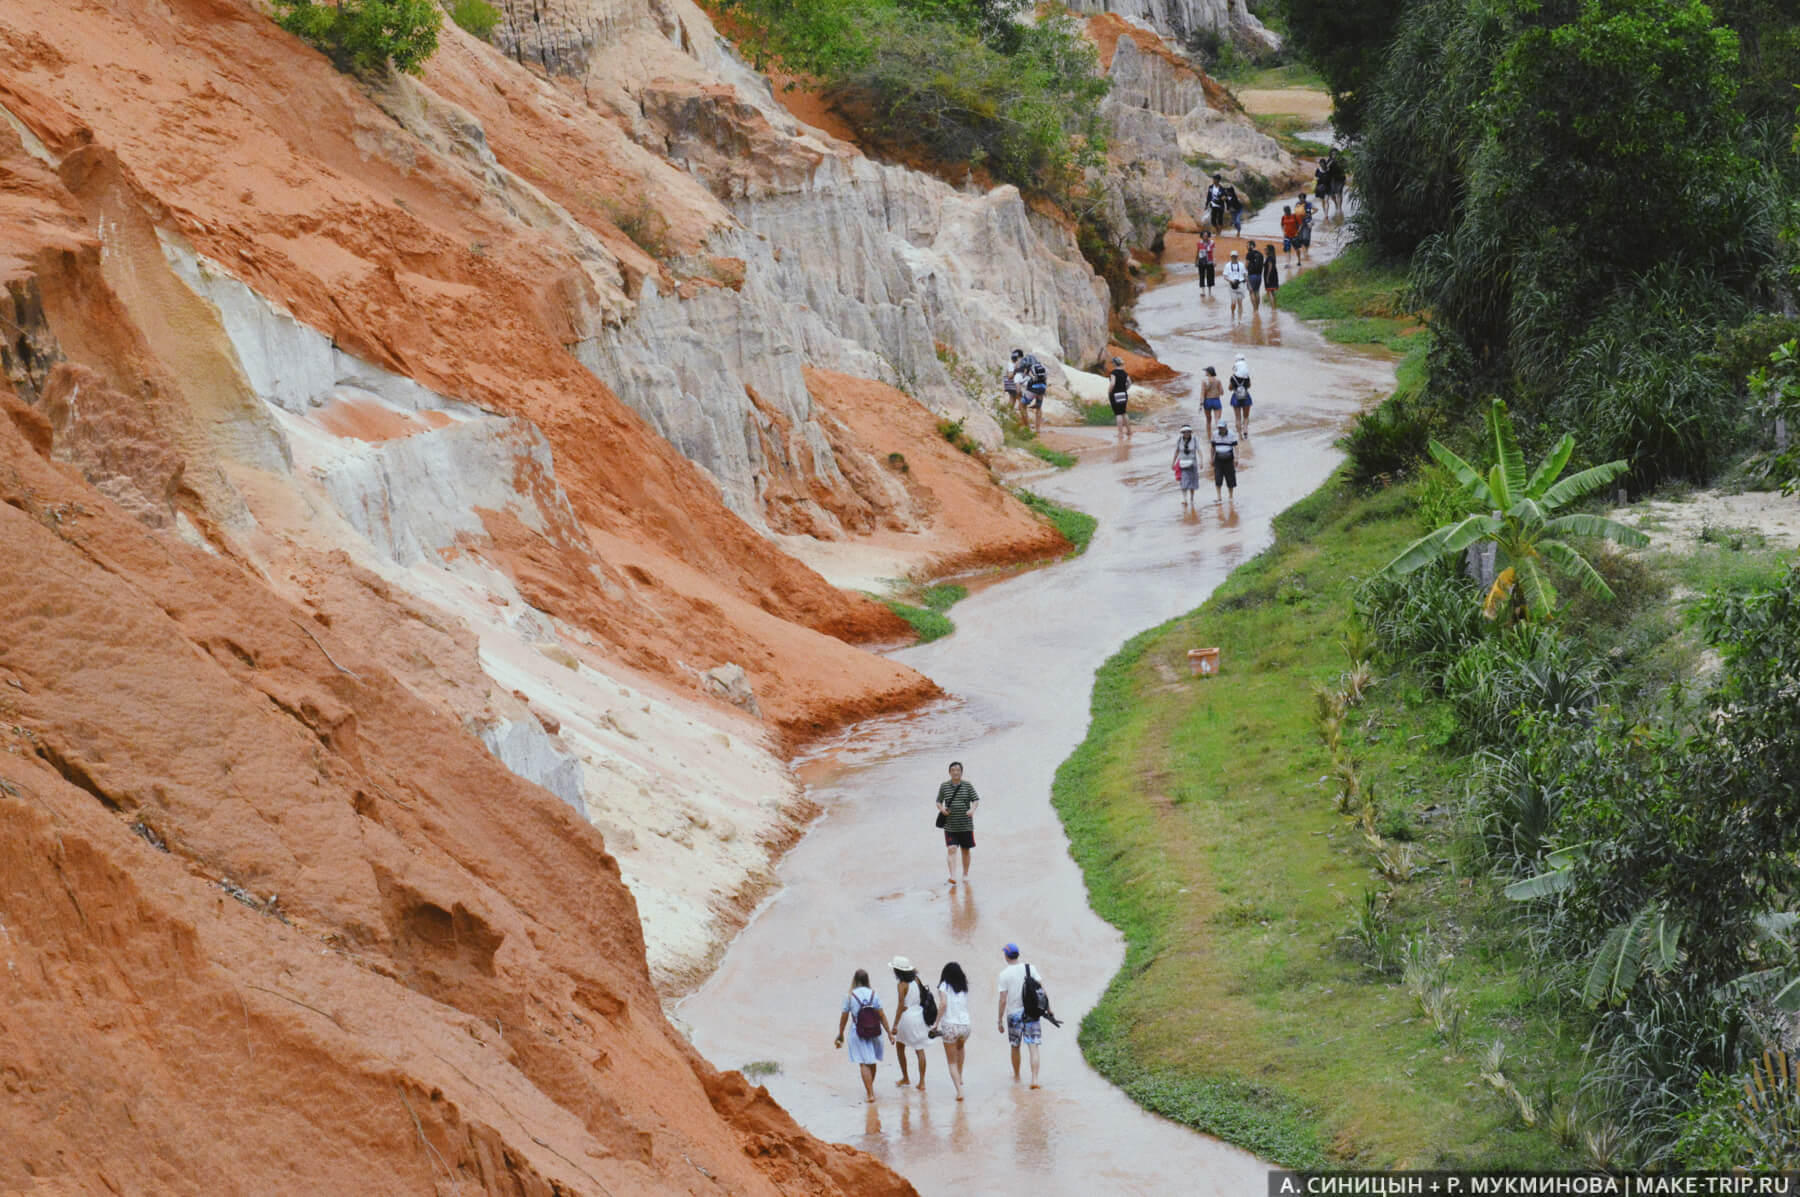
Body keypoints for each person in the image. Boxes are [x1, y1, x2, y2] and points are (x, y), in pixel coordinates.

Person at [835, 969, 894, 1102]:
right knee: (871, 1061)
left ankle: (870, 1094)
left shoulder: (850, 996)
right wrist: (889, 1033)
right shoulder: (874, 994)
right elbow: (882, 1015)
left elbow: (844, 1017)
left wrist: (840, 1034)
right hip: (875, 1031)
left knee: (863, 1063)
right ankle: (870, 1088)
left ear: (854, 980)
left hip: (858, 1031)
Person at [996, 943, 1043, 1089]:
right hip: (1032, 1012)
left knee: (1015, 1046)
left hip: (1014, 1014)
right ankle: (1034, 1079)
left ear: (1006, 956)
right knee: (1033, 1047)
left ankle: (1017, 1075)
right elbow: (1041, 989)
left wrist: (999, 1020)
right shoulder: (1031, 968)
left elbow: (1003, 999)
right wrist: (1049, 1008)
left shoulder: (1004, 975)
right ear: (1018, 954)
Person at [889, 956, 931, 1090]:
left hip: (906, 1018)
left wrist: (895, 1025)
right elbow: (922, 995)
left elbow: (900, 1006)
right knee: (919, 1049)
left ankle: (905, 1077)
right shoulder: (916, 980)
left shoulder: (901, 985)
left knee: (900, 1047)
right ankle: (922, 1082)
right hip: (918, 1015)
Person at [932, 961, 972, 1101]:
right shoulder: (964, 987)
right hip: (966, 1026)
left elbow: (943, 1004)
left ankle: (959, 1091)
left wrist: (936, 1023)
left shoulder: (943, 986)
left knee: (951, 1062)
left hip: (950, 1026)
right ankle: (959, 1076)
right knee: (960, 1048)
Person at [936, 761, 978, 886]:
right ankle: (953, 876)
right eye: (953, 770)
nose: (955, 772)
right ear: (949, 772)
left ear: (961, 772)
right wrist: (942, 809)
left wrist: (972, 809)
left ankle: (965, 874)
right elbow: (938, 801)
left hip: (965, 824)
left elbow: (975, 800)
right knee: (951, 848)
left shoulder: (967, 785)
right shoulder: (944, 786)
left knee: (965, 850)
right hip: (950, 825)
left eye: (958, 770)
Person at [1172, 424, 1201, 510]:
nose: (1186, 433)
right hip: (1182, 464)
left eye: (1188, 432)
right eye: (1184, 432)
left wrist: (1201, 461)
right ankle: (1184, 499)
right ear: (1182, 432)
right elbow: (1176, 451)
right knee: (1183, 481)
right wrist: (1173, 462)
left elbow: (1199, 450)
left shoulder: (1194, 439)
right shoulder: (1179, 440)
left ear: (1190, 432)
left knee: (1192, 482)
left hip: (1193, 463)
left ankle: (1191, 498)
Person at [1018, 353, 1048, 434]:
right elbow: (1046, 378)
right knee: (1039, 407)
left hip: (1032, 389)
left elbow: (1024, 377)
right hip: (1042, 388)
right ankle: (1038, 429)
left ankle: (1027, 427)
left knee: (1022, 405)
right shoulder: (1042, 366)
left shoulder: (1029, 367)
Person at [1211, 420, 1240, 501]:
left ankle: (1230, 496)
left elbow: (1236, 447)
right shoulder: (1215, 434)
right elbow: (1212, 447)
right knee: (1218, 477)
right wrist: (1211, 458)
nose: (1221, 429)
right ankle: (1219, 496)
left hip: (1229, 458)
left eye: (1222, 428)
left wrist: (1236, 458)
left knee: (1230, 477)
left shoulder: (1231, 434)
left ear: (1226, 427)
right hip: (1218, 458)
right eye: (1219, 428)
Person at [1108, 355, 1132, 441]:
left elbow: (1113, 383)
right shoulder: (1125, 373)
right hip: (1123, 393)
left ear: (1114, 364)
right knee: (1124, 413)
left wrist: (1110, 391)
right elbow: (1129, 382)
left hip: (1115, 394)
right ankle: (1129, 431)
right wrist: (1125, 389)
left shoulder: (1113, 373)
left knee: (1118, 414)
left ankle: (1120, 433)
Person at [1200, 366, 1224, 438]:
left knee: (1208, 421)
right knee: (1217, 420)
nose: (1205, 373)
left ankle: (1209, 438)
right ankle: (1219, 436)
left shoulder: (1204, 381)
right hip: (1216, 401)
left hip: (1207, 401)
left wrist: (1201, 404)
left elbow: (1202, 393)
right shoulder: (1218, 381)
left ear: (1208, 373)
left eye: (1206, 371)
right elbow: (1222, 392)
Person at [1222, 251, 1247, 317]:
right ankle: (1232, 313)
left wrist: (1247, 282)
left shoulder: (1241, 265)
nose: (1234, 258)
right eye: (1233, 256)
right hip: (1231, 285)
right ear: (1231, 257)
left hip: (1240, 284)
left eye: (1235, 256)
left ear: (1237, 257)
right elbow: (1225, 276)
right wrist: (1230, 281)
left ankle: (1239, 319)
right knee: (1233, 302)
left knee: (1240, 302)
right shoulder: (1227, 265)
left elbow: (1245, 274)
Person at [1245, 242, 1264, 312]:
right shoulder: (1260, 254)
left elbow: (1246, 265)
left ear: (1251, 246)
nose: (1246, 247)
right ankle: (1257, 309)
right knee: (1257, 291)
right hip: (1259, 275)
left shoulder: (1249, 254)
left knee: (1251, 292)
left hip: (1251, 275)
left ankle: (1254, 309)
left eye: (1247, 246)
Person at [1195, 229, 1215, 294]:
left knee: (1210, 276)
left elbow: (1214, 252)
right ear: (1202, 236)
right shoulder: (1199, 243)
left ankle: (1210, 291)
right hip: (1201, 261)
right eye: (1204, 235)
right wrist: (1196, 260)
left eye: (1206, 235)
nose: (1205, 236)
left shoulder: (1212, 243)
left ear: (1208, 236)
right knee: (1201, 275)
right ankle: (1203, 291)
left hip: (1209, 261)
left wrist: (1214, 261)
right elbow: (1197, 252)